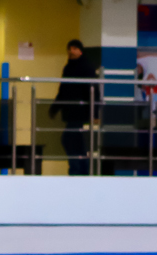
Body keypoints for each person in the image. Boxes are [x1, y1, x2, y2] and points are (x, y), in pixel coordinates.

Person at [48, 39, 97, 176]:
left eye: (74, 48)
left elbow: (93, 90)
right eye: (70, 49)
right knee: (77, 142)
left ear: (80, 51)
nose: (71, 51)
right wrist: (55, 107)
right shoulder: (68, 68)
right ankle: (82, 170)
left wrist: (95, 112)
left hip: (80, 111)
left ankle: (77, 169)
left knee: (69, 139)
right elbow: (63, 90)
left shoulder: (86, 67)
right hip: (71, 111)